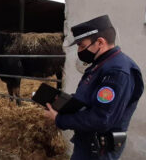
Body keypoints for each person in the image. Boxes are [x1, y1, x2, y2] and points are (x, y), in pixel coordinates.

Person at [44, 15, 144, 160]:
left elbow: (101, 118)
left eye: (82, 46)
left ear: (100, 42)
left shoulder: (116, 71)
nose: (79, 51)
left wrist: (60, 119)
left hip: (99, 150)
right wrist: (61, 101)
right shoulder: (101, 65)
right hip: (87, 143)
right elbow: (88, 99)